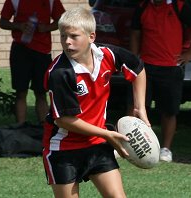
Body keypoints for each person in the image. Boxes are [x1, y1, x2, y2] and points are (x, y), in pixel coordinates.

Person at [42, 7, 151, 198]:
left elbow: (137, 68)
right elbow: (64, 120)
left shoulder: (107, 55)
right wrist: (108, 135)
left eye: (74, 36)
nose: (67, 42)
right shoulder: (60, 73)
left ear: (91, 36)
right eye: (63, 36)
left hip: (97, 144)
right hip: (64, 150)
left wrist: (139, 107)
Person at [130, 0, 191, 162]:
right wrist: (134, 58)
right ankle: (130, 145)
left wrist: (190, 53)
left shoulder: (178, 6)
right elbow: (135, 34)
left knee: (169, 111)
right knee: (137, 107)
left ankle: (166, 149)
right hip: (146, 67)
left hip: (171, 67)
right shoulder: (143, 7)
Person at [0, 0, 65, 124]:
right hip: (20, 49)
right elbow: (3, 22)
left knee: (41, 92)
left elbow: (62, 20)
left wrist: (47, 27)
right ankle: (21, 127)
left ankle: (44, 127)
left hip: (42, 51)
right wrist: (19, 26)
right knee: (21, 92)